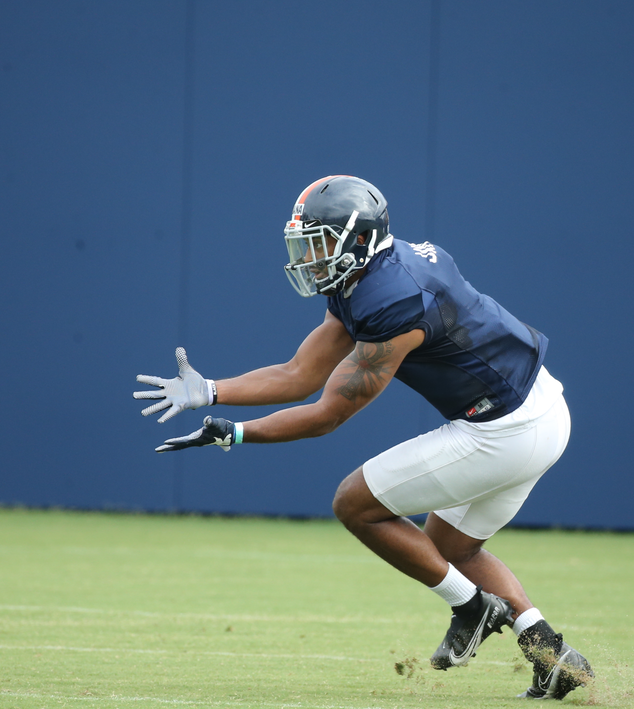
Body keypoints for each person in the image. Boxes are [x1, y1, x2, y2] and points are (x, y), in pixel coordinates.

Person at [133, 175, 594, 700]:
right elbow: (299, 373)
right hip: (539, 410)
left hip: (503, 428)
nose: (309, 256)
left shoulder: (394, 299)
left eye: (320, 242)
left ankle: (471, 608)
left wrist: (237, 434)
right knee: (449, 548)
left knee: (355, 504)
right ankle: (551, 655)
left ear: (357, 239)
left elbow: (328, 413)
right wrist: (211, 390)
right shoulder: (373, 272)